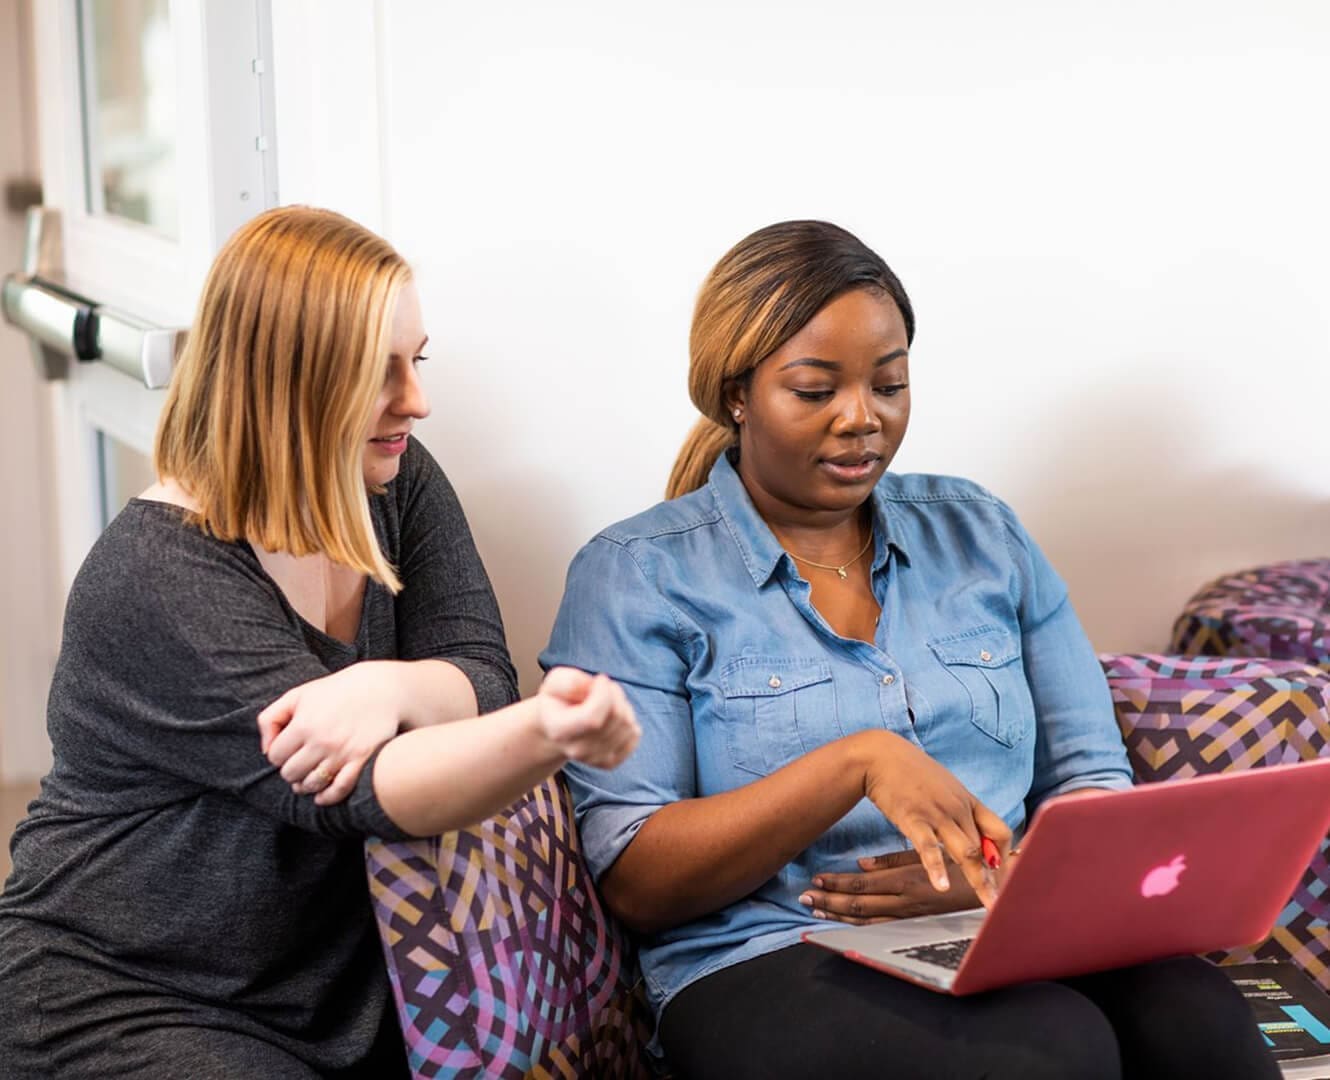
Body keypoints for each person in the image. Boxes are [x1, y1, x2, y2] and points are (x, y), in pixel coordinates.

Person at [540, 220, 1277, 1079]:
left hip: (1004, 926)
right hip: (771, 953)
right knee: (1049, 1054)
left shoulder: (983, 534)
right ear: (736, 395)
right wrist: (854, 763)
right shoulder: (637, 575)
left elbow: (1089, 780)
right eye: (816, 391)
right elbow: (635, 877)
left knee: (1204, 1030)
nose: (864, 419)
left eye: (889, 384)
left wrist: (1005, 881)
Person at [0, 206, 639, 1079]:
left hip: (337, 986)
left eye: (417, 360)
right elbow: (363, 792)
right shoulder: (158, 578)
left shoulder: (394, 476)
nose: (416, 399)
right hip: (134, 994)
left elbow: (482, 673)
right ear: (285, 379)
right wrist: (548, 732)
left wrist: (392, 688)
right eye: (378, 372)